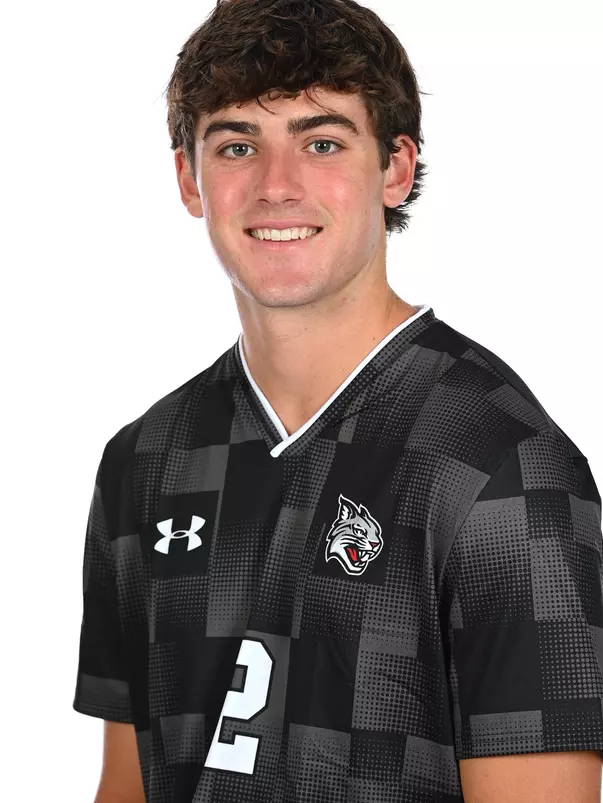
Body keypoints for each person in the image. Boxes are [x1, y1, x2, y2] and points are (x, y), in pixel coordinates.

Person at [72, 0, 603, 801]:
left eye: (321, 142)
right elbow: (127, 783)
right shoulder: (144, 459)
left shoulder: (502, 465)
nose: (276, 186)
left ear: (394, 168)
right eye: (237, 145)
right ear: (189, 178)